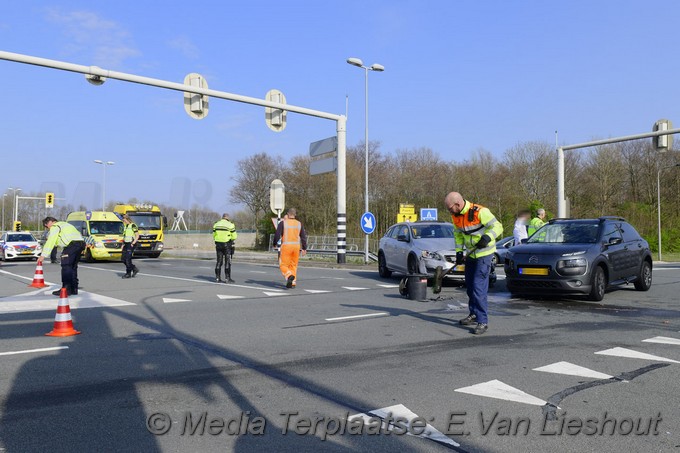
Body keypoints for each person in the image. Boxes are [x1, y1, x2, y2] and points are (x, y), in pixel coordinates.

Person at [444, 192, 503, 335]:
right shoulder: (456, 216)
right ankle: (474, 314)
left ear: (457, 204)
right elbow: (458, 234)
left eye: (450, 208)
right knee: (470, 287)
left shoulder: (480, 212)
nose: (449, 211)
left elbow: (498, 227)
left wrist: (487, 237)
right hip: (471, 255)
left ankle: (483, 321)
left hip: (484, 255)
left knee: (478, 287)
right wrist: (459, 252)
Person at [38, 216, 86, 296]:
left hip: (71, 245)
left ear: (50, 222)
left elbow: (51, 241)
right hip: (80, 244)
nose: (47, 228)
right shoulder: (65, 224)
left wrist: (43, 255)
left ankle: (66, 289)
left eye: (46, 225)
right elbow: (59, 241)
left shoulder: (55, 226)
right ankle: (74, 289)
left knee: (66, 266)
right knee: (73, 267)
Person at [273, 208, 307, 288]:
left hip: (286, 247)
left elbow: (277, 234)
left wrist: (274, 243)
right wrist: (304, 248)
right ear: (295, 214)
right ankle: (293, 283)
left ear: (288, 214)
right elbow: (303, 237)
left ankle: (289, 276)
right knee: (293, 265)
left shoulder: (283, 223)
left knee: (283, 265)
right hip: (296, 247)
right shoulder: (299, 224)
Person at [212, 213, 237, 283]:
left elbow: (214, 235)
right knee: (227, 261)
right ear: (227, 218)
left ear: (222, 217)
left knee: (219, 261)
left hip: (218, 245)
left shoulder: (216, 224)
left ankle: (217, 278)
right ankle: (227, 278)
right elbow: (234, 236)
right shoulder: (230, 224)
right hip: (227, 245)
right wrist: (230, 240)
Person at [121, 214, 140, 279]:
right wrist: (123, 244)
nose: (123, 221)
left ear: (127, 219)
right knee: (123, 259)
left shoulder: (133, 225)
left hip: (131, 244)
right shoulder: (126, 226)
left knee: (127, 259)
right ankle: (134, 268)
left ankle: (128, 273)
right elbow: (125, 236)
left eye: (124, 219)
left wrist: (133, 243)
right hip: (126, 244)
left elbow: (137, 235)